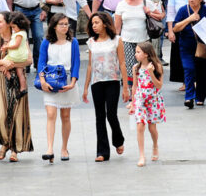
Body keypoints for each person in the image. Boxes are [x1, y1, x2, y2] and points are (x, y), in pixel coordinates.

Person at [83, 11, 129, 162]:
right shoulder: (91, 42)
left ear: (105, 23)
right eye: (92, 23)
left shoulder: (116, 40)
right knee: (99, 116)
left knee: (111, 114)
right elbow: (90, 65)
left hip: (113, 80)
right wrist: (85, 87)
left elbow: (122, 62)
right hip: (97, 82)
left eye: (96, 23)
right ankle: (102, 151)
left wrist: (126, 87)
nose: (94, 26)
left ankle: (118, 139)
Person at [0, 12, 34, 162]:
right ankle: (5, 143)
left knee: (17, 115)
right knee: (1, 115)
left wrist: (12, 64)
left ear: (9, 24)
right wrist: (3, 63)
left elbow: (29, 60)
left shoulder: (19, 36)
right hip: (1, 80)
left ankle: (14, 148)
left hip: (17, 78)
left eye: (0, 22)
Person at [36, 14, 81, 162]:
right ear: (54, 26)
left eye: (66, 24)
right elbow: (41, 61)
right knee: (50, 114)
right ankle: (50, 148)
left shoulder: (73, 42)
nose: (65, 27)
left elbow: (76, 62)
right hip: (50, 80)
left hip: (66, 79)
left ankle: (64, 147)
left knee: (65, 116)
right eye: (61, 24)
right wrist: (42, 80)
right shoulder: (47, 42)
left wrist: (73, 82)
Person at [171, 0, 206, 108]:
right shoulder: (184, 10)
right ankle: (189, 97)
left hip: (202, 45)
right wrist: (189, 19)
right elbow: (175, 28)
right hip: (186, 46)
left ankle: (200, 96)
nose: (191, 0)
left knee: (201, 72)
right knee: (188, 69)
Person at [128, 40, 165, 167]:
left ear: (146, 54)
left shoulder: (157, 67)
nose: (135, 54)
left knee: (152, 127)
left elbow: (159, 85)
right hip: (140, 99)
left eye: (138, 52)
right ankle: (141, 155)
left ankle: (155, 146)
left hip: (153, 100)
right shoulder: (136, 68)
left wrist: (151, 73)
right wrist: (133, 103)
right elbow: (134, 86)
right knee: (140, 126)